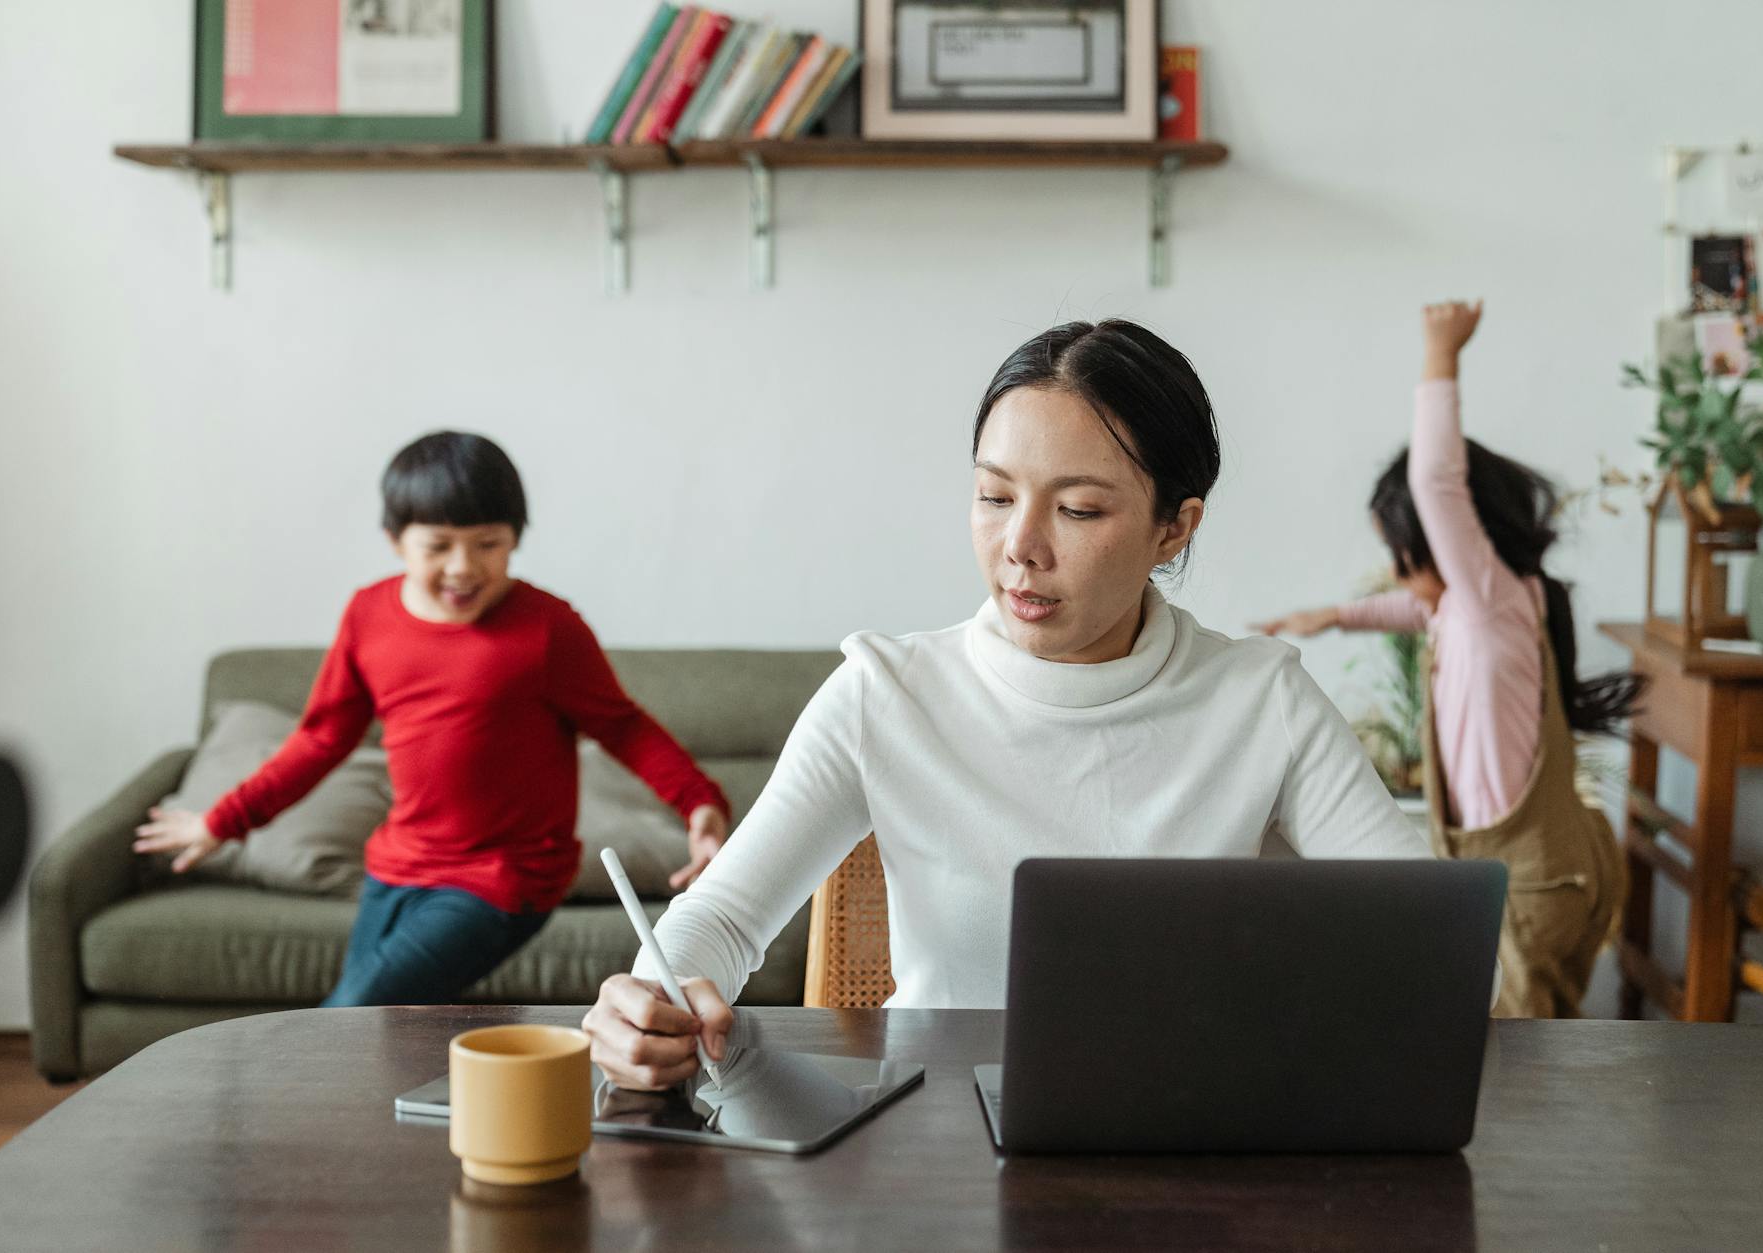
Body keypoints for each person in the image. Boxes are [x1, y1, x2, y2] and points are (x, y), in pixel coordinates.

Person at [583, 320, 1432, 1091]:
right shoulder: (887, 693)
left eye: (1078, 509)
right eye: (994, 496)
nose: (1020, 547)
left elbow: (1424, 934)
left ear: (1175, 528)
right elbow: (725, 916)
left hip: (1188, 1137)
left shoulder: (1260, 698)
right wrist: (652, 997)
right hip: (936, 1151)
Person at [135, 431, 732, 1006]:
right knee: (376, 1035)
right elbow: (321, 739)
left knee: (350, 1016)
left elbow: (622, 726)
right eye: (439, 545)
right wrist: (224, 821)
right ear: (397, 540)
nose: (464, 567)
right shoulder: (369, 615)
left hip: (505, 878)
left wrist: (698, 803)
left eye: (488, 544)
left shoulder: (548, 629)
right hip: (397, 865)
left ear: (516, 539)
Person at [1255, 301, 1638, 1018]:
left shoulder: (1488, 596)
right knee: (1509, 1043)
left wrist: (1441, 354)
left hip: (1532, 882)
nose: (1398, 579)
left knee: (1520, 1056)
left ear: (1447, 543)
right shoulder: (1486, 609)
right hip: (1530, 868)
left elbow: (1435, 481)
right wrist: (1335, 615)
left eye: (1401, 557)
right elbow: (1415, 608)